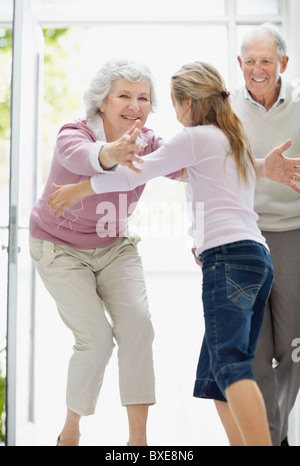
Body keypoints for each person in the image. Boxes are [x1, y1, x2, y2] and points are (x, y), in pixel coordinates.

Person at [48, 61, 300, 446]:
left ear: (186, 103)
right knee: (216, 377)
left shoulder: (197, 137)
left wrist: (79, 190)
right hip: (255, 259)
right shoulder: (232, 138)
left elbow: (136, 172)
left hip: (230, 259)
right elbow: (221, 192)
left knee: (231, 368)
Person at [29, 59, 179, 446]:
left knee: (138, 326)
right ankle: (71, 432)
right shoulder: (72, 135)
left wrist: (258, 166)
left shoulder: (148, 141)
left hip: (114, 247)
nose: (135, 104)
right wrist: (114, 151)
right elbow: (87, 157)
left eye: (143, 97)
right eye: (124, 95)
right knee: (95, 340)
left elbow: (193, 164)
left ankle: (138, 443)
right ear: (102, 102)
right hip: (59, 249)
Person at [229, 23, 300, 446]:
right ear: (239, 64)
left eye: (266, 62)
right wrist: (199, 235)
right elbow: (203, 175)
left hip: (294, 233)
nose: (258, 70)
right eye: (250, 62)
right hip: (243, 236)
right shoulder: (224, 110)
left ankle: (278, 429)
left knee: (294, 347)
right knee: (254, 348)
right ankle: (270, 439)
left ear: (284, 64)